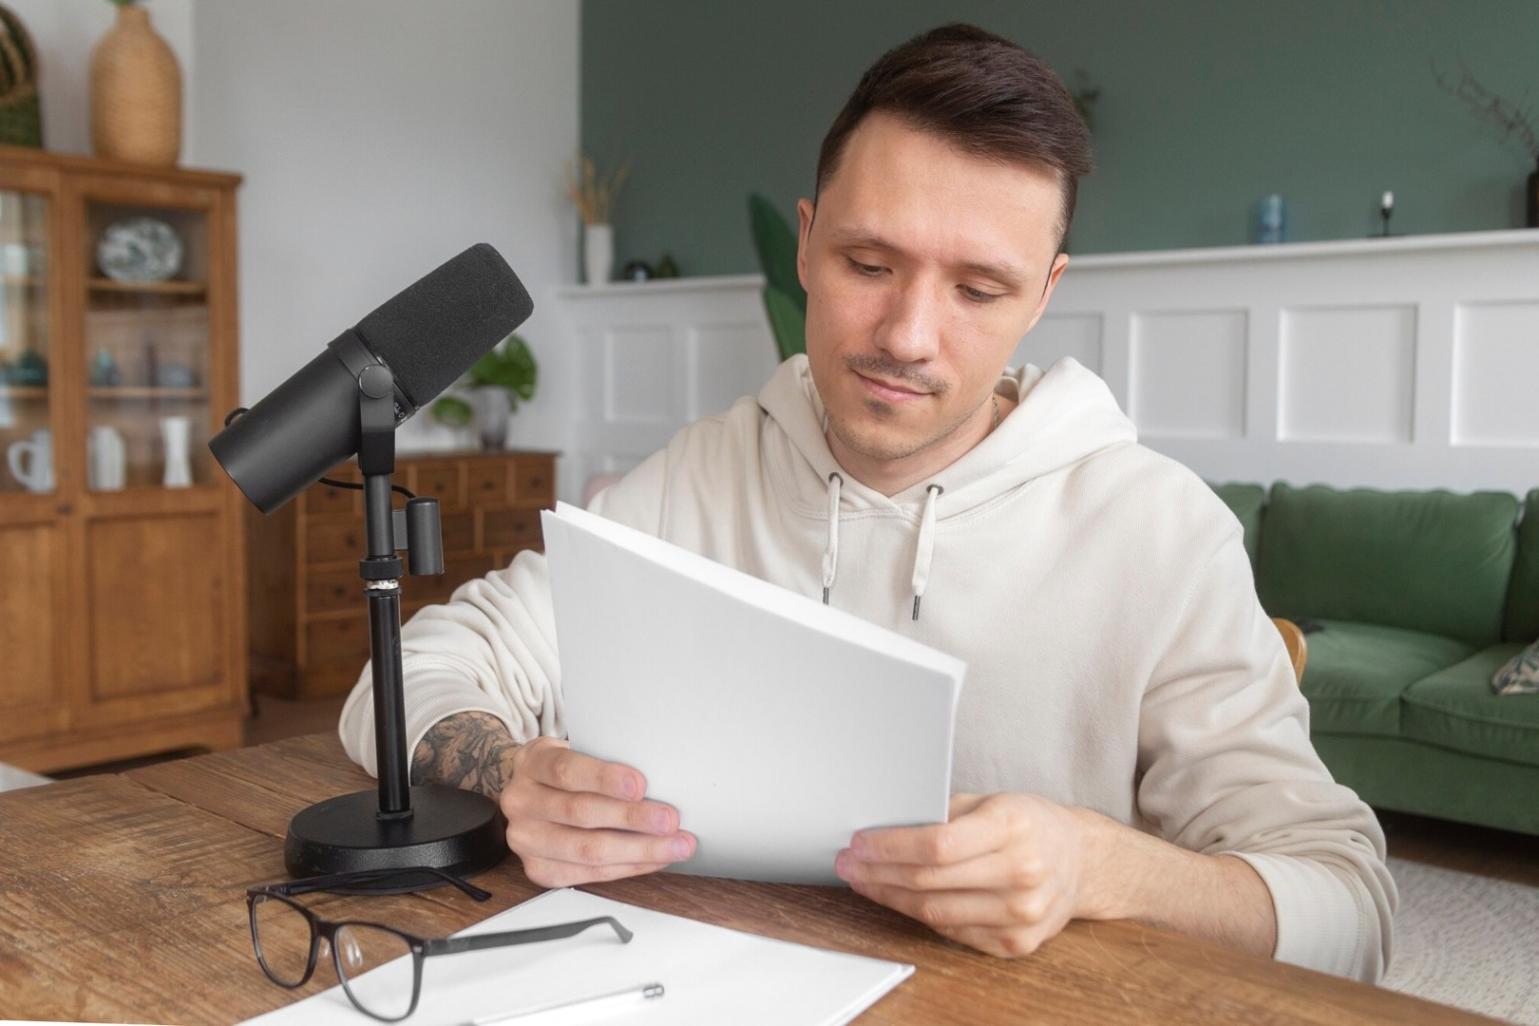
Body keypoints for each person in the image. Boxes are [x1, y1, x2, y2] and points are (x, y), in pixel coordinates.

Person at [341, 23, 1395, 981]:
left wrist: (1099, 867)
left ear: (1045, 294)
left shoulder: (1161, 533)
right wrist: (517, 768)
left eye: (978, 290)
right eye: (868, 262)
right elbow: (402, 682)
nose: (906, 336)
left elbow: (1351, 908)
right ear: (805, 244)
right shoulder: (692, 480)